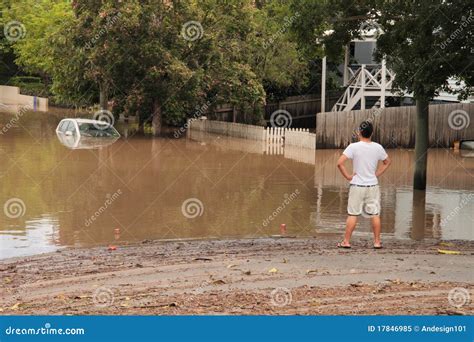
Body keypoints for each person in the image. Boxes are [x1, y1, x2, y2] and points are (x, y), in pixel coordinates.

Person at [336, 121, 391, 249]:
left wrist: (348, 176)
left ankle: (346, 241)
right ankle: (377, 242)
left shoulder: (353, 147)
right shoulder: (378, 147)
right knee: (375, 214)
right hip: (372, 186)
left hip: (357, 186)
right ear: (372, 133)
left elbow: (340, 163)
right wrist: (376, 174)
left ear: (359, 132)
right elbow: (387, 162)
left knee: (353, 214)